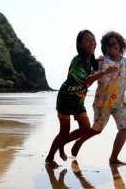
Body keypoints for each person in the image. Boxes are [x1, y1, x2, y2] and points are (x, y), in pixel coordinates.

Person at [71, 31, 126, 165]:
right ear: (104, 48)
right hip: (103, 102)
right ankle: (80, 141)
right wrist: (77, 100)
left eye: (114, 43)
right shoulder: (101, 62)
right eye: (108, 45)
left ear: (120, 44)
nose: (112, 47)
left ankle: (113, 158)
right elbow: (88, 81)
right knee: (97, 130)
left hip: (120, 102)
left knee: (125, 128)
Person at [45, 30, 119, 167]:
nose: (92, 42)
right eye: (88, 40)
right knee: (64, 131)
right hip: (66, 98)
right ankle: (49, 158)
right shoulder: (77, 60)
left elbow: (90, 81)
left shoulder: (91, 62)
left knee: (85, 129)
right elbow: (84, 81)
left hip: (79, 99)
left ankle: (62, 145)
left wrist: (104, 63)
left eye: (93, 40)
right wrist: (104, 72)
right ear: (80, 44)